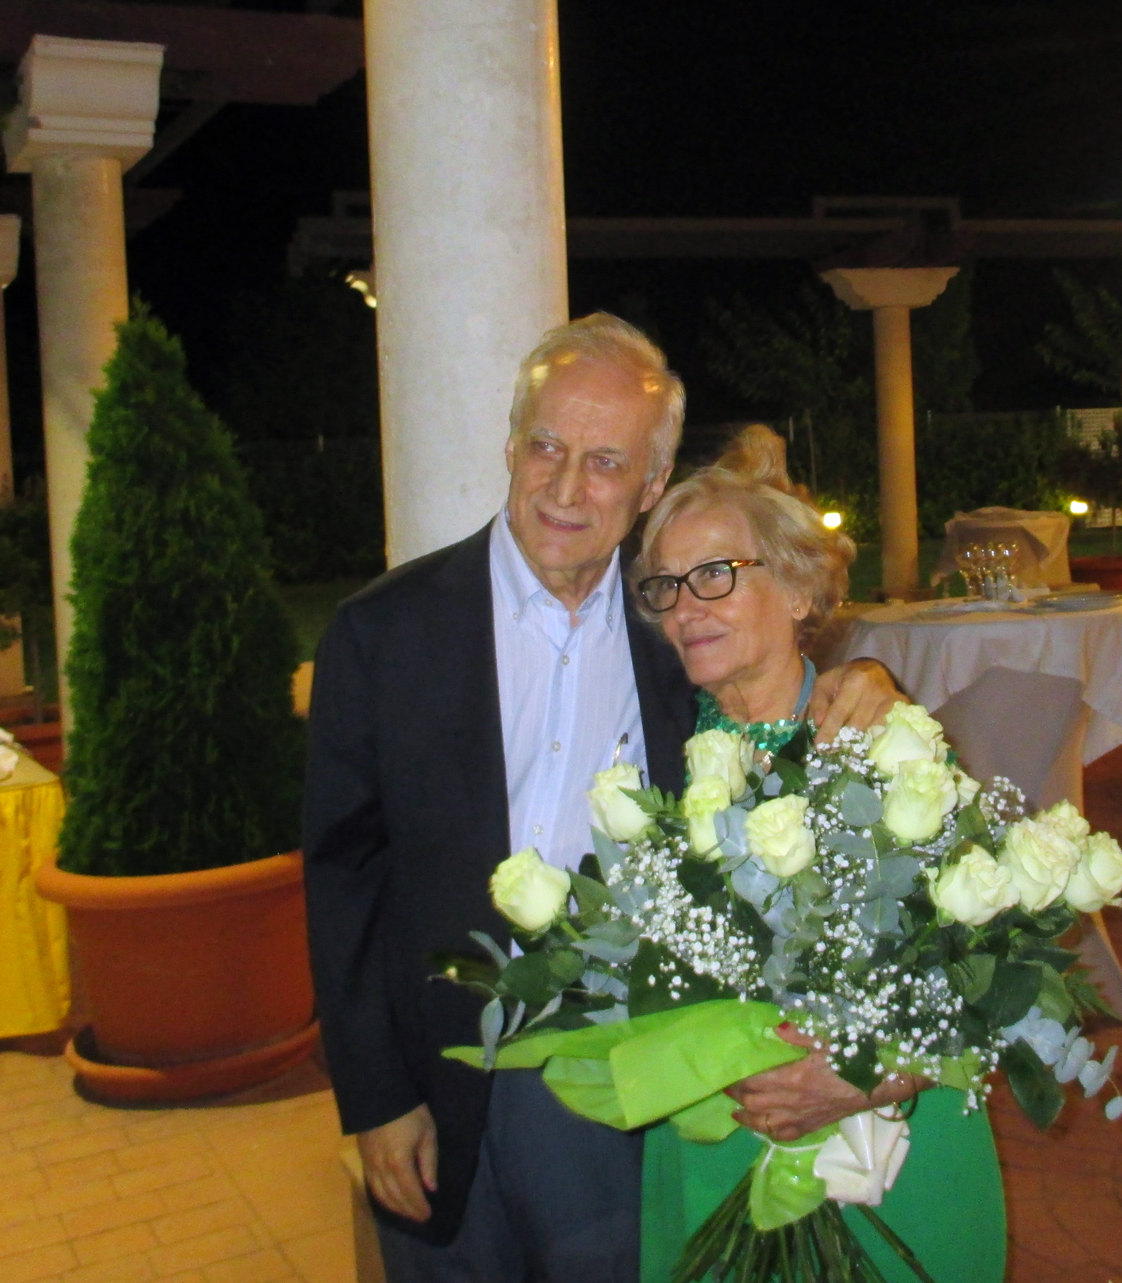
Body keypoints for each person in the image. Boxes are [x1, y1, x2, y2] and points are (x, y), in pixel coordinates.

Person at [302, 314, 903, 1283]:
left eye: (605, 461)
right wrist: (374, 1096)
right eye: (546, 446)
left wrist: (871, 680)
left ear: (650, 483)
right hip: (437, 1077)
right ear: (511, 445)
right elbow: (342, 882)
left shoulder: (673, 623)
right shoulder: (383, 633)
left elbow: (779, 683)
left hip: (621, 1082)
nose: (566, 487)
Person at [629, 428, 1007, 1283]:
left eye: (716, 574)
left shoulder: (889, 747)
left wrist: (864, 1079)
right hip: (716, 1152)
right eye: (667, 585)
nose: (686, 608)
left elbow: (999, 981)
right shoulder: (655, 758)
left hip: (895, 1153)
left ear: (800, 587)